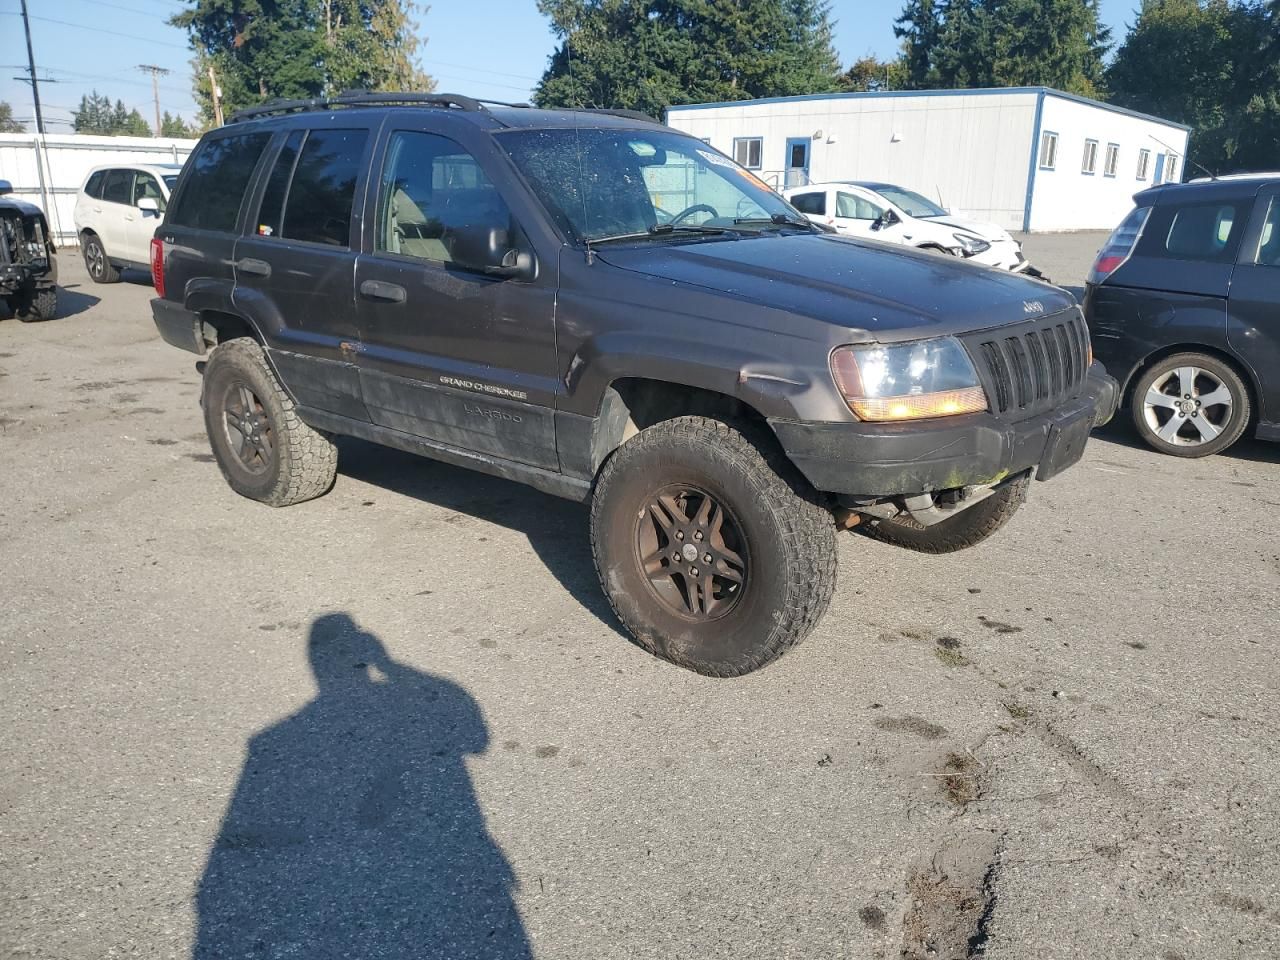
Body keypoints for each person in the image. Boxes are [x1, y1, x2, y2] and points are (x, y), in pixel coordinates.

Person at [194, 614, 530, 959]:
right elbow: (476, 741)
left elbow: (474, 740)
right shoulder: (273, 741)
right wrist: (392, 667)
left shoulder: (271, 740)